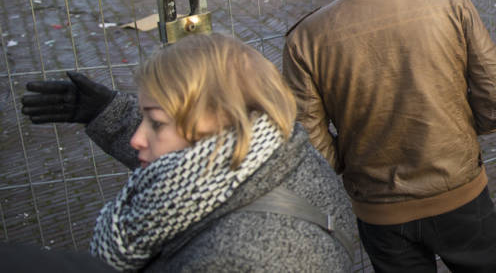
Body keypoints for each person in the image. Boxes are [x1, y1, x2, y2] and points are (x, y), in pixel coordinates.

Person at [283, 0, 496, 272]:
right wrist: (455, 132)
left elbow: (312, 151)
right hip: (460, 190)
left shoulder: (305, 39)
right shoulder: (449, 3)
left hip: (380, 211)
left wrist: (357, 156)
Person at [20, 34, 356, 271]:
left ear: (225, 123)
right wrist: (108, 113)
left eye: (154, 122)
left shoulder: (234, 260)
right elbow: (189, 168)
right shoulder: (280, 148)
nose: (138, 138)